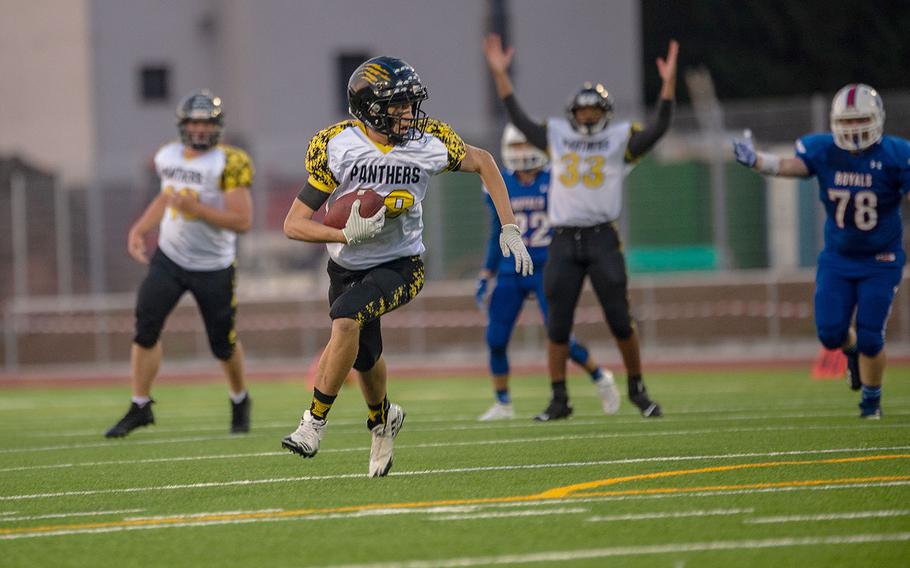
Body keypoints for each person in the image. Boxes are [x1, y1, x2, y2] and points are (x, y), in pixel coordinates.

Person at [281, 56, 532, 477]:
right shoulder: (336, 144)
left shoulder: (429, 140)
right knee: (364, 357)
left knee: (345, 318)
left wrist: (510, 226)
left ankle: (313, 423)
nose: (408, 113)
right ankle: (383, 420)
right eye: (397, 105)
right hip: (347, 265)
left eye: (409, 103)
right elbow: (294, 225)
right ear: (369, 108)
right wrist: (345, 236)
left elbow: (485, 161)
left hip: (402, 263)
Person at [483, 34, 678, 420]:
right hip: (564, 239)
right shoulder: (557, 136)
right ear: (573, 113)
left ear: (604, 112)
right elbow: (518, 117)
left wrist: (668, 85)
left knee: (620, 319)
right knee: (557, 323)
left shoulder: (619, 139)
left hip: (603, 237)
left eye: (593, 112)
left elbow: (659, 128)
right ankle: (559, 399)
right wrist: (500, 75)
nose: (588, 117)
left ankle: (638, 389)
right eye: (582, 112)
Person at [733, 83, 910, 419]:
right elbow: (790, 166)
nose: (853, 128)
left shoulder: (896, 155)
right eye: (846, 121)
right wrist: (757, 159)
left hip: (881, 260)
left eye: (860, 120)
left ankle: (871, 403)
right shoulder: (824, 150)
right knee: (830, 333)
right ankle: (852, 352)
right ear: (834, 123)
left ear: (877, 120)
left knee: (873, 335)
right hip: (839, 259)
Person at [105, 90, 254, 438]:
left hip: (214, 264)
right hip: (170, 257)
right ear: (182, 125)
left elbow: (242, 221)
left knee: (222, 342)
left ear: (216, 126)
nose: (199, 129)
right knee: (146, 324)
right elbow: (166, 197)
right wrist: (141, 229)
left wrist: (198, 210)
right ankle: (140, 405)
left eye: (205, 123)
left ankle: (239, 397)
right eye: (193, 122)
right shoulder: (168, 156)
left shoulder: (229, 162)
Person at [476, 124, 619, 421]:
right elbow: (495, 232)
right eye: (516, 146)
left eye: (525, 145)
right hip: (510, 269)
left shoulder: (557, 179)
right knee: (496, 338)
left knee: (560, 336)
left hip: (547, 267)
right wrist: (486, 273)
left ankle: (599, 376)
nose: (522, 152)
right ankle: (503, 403)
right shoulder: (500, 182)